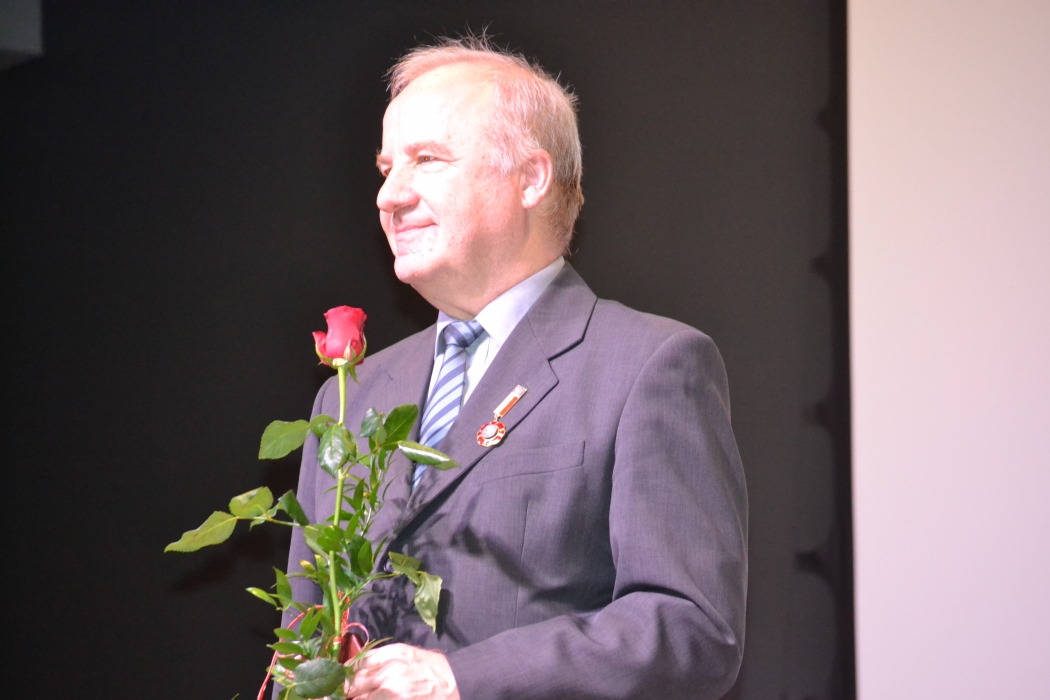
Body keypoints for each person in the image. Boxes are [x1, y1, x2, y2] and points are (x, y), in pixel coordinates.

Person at [283, 36, 748, 700]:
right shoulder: (349, 397)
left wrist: (459, 680)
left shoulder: (648, 366)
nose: (389, 195)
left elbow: (691, 629)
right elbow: (302, 646)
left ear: (531, 178)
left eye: (426, 160)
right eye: (386, 167)